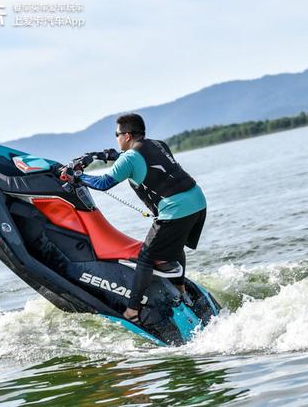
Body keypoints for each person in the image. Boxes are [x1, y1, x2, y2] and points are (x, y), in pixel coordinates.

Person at [64, 113, 207, 324]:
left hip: (176, 210)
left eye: (117, 134)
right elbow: (144, 158)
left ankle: (132, 310)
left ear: (127, 135)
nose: (116, 138)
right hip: (197, 201)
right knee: (176, 248)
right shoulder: (158, 145)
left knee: (146, 257)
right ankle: (181, 291)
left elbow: (104, 183)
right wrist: (105, 156)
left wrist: (76, 176)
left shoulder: (130, 158)